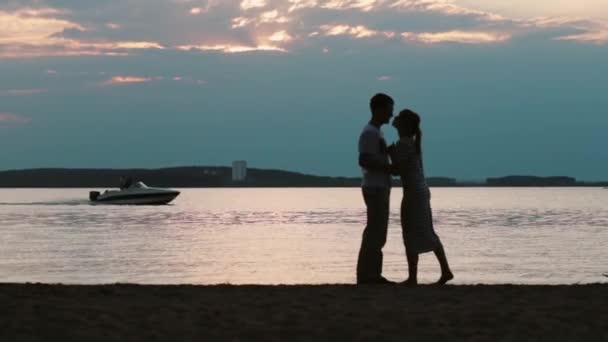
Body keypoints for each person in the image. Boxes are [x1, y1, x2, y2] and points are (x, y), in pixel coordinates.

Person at [390, 109, 453, 286]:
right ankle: (444, 271)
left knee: (410, 232)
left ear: (404, 125)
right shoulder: (411, 143)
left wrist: (389, 154)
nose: (395, 118)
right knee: (426, 231)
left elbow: (398, 171)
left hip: (413, 193)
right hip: (421, 191)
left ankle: (413, 277)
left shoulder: (404, 143)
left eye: (400, 117)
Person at [356, 93, 396, 284]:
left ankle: (372, 273)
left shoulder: (376, 132)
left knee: (377, 232)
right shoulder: (370, 133)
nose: (391, 114)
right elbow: (364, 159)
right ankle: (368, 275)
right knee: (375, 231)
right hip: (375, 187)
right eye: (389, 109)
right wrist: (389, 168)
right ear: (379, 109)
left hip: (379, 186)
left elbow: (373, 157)